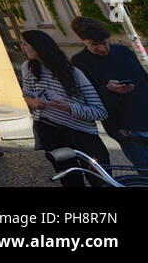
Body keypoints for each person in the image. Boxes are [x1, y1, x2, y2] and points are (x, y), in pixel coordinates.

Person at [70, 17, 148, 173]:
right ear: (83, 41)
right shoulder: (79, 62)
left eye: (104, 42)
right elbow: (87, 99)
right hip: (126, 130)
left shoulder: (124, 52)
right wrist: (107, 90)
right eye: (94, 45)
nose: (102, 48)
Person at [20, 29, 109, 187]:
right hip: (50, 131)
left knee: (100, 180)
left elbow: (100, 112)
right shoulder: (28, 67)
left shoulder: (73, 73)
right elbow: (26, 94)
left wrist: (69, 108)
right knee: (70, 180)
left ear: (39, 46)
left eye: (25, 44)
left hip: (82, 134)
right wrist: (33, 103)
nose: (23, 48)